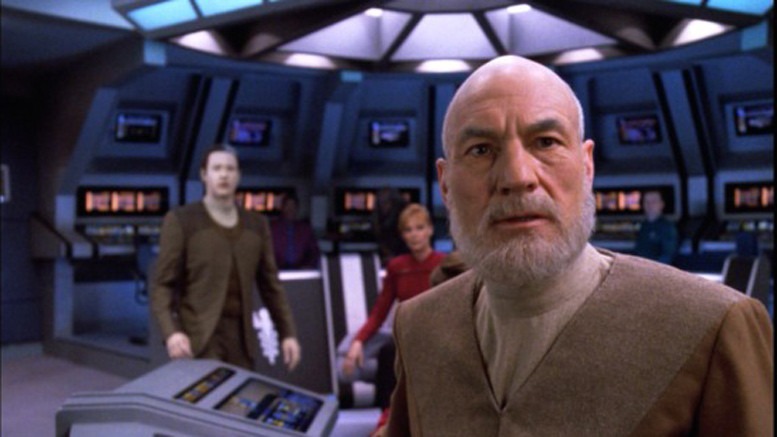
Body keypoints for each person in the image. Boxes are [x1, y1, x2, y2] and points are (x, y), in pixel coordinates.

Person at [385, 56, 773, 436]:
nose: (517, 177)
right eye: (481, 150)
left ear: (587, 166)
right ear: (445, 183)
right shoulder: (418, 326)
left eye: (545, 142)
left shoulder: (711, 328)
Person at [150, 144, 301, 371]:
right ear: (204, 175)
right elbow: (162, 286)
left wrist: (288, 333)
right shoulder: (182, 220)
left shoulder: (256, 224)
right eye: (217, 168)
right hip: (199, 338)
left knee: (241, 393)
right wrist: (172, 332)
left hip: (242, 340)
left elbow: (271, 286)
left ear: (238, 176)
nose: (224, 174)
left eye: (230, 169)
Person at [342, 204, 444, 428]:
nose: (414, 235)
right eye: (408, 230)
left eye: (419, 228)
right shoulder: (397, 267)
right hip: (407, 337)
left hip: (439, 336)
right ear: (402, 235)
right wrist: (358, 342)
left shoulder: (443, 264)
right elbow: (379, 312)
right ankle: (387, 420)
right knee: (387, 352)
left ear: (430, 230)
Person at [270, 194, 320, 270]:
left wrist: (307, 267)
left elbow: (314, 253)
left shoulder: (305, 229)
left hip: (301, 271)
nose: (290, 209)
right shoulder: (272, 228)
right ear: (282, 208)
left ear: (297, 209)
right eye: (288, 206)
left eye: (293, 206)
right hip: (278, 270)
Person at [634, 190, 678, 264]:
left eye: (654, 202)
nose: (650, 205)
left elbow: (667, 256)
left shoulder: (667, 228)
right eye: (646, 202)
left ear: (662, 204)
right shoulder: (643, 226)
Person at [373, 187, 410, 265]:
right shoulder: (378, 220)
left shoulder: (403, 218)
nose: (383, 206)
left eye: (386, 202)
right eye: (381, 203)